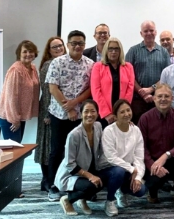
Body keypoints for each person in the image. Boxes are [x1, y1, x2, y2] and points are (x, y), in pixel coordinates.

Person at [45, 30, 94, 201]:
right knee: (57, 150)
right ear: (68, 44)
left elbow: (90, 89)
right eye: (74, 43)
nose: (77, 46)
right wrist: (69, 108)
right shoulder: (57, 62)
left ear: (85, 44)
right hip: (59, 114)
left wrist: (75, 103)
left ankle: (77, 185)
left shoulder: (90, 64)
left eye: (81, 43)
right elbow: (53, 88)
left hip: (81, 115)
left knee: (79, 152)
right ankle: (53, 186)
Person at [55, 100, 120, 216]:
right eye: (86, 111)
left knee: (113, 174)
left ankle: (82, 199)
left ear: (98, 113)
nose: (89, 114)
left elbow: (103, 149)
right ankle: (67, 199)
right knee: (92, 185)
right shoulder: (74, 135)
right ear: (81, 114)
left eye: (93, 111)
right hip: (72, 174)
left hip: (91, 168)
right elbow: (70, 164)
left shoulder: (98, 126)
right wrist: (90, 176)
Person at [138, 84, 174, 210]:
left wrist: (166, 155)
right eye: (160, 96)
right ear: (154, 98)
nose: (163, 99)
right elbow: (141, 147)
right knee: (152, 183)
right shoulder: (145, 118)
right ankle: (153, 193)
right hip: (152, 163)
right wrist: (153, 165)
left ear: (172, 98)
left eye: (166, 96)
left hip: (171, 160)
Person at [101, 99, 147, 216]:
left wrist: (138, 177)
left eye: (128, 110)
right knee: (118, 171)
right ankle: (110, 200)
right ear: (115, 116)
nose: (126, 114)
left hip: (126, 169)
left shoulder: (135, 130)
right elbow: (111, 157)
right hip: (108, 169)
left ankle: (121, 191)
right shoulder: (109, 131)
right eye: (122, 112)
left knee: (141, 190)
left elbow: (139, 157)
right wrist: (132, 169)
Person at [35, 36, 66, 192]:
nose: (59, 49)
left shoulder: (64, 62)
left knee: (54, 146)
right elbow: (47, 92)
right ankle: (46, 180)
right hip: (49, 111)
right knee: (47, 146)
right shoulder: (48, 65)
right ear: (49, 50)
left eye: (60, 46)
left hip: (58, 111)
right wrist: (48, 114)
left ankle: (50, 179)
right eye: (54, 47)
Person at [125, 20, 171, 124]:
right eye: (146, 31)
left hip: (159, 98)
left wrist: (151, 89)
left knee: (158, 128)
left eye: (151, 30)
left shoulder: (164, 52)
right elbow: (128, 75)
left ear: (155, 32)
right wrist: (142, 92)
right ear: (141, 33)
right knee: (139, 128)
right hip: (137, 99)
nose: (149, 33)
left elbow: (167, 76)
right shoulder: (133, 51)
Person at [0, 40, 39, 143]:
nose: (28, 54)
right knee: (13, 151)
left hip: (20, 115)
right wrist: (14, 119)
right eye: (25, 51)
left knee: (18, 148)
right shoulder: (16, 70)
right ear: (19, 54)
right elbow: (11, 97)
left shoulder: (32, 68)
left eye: (31, 51)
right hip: (10, 117)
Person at [91, 37, 135, 129]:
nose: (113, 52)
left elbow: (130, 90)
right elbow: (96, 91)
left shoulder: (128, 67)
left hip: (122, 114)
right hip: (104, 115)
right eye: (110, 49)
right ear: (106, 50)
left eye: (116, 49)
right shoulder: (98, 66)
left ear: (120, 51)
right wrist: (106, 113)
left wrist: (121, 111)